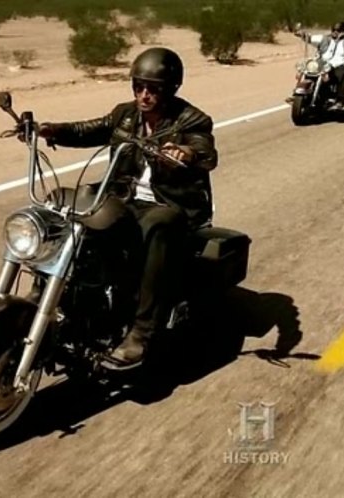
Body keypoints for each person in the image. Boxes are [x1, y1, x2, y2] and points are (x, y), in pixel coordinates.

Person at [34, 47, 219, 370]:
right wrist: (52, 130)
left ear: (170, 88)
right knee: (63, 202)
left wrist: (185, 153)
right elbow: (91, 129)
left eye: (153, 89)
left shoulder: (191, 119)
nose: (144, 95)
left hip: (168, 203)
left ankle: (141, 333)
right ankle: (45, 294)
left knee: (158, 224)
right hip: (124, 197)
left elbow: (205, 152)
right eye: (138, 86)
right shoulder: (125, 115)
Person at [295, 21, 344, 111]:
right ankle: (304, 93)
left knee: (343, 73)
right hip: (323, 64)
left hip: (340, 64)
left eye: (338, 30)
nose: (335, 32)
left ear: (343, 31)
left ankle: (340, 101)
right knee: (309, 70)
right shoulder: (325, 38)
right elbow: (309, 38)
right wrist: (301, 34)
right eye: (334, 30)